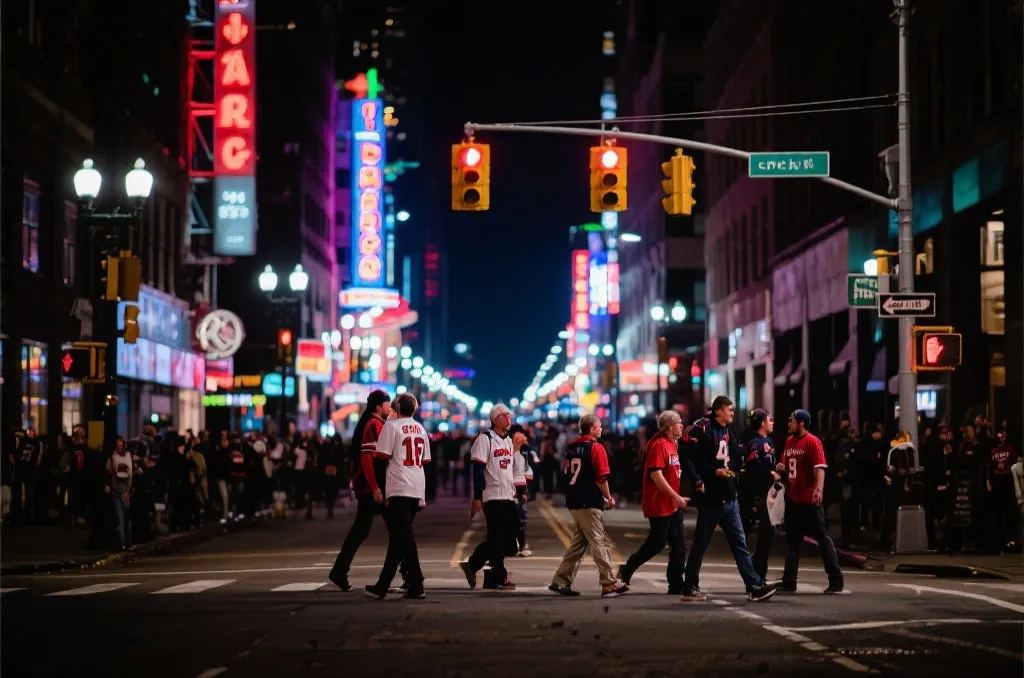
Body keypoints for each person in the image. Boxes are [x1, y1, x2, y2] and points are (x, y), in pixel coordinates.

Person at [680, 396, 777, 602]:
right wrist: (707, 475)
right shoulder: (703, 428)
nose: (733, 413)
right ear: (718, 411)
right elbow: (689, 458)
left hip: (728, 496)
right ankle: (689, 586)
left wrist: (735, 470)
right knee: (700, 543)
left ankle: (754, 585)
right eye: (729, 409)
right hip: (711, 498)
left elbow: (733, 455)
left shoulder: (727, 431)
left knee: (740, 543)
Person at [328, 390, 404, 592]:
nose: (390, 408)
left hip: (370, 485)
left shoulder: (373, 423)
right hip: (372, 486)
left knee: (366, 529)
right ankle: (409, 575)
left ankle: (340, 570)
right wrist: (375, 487)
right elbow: (367, 459)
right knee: (398, 528)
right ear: (379, 407)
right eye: (388, 405)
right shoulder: (374, 424)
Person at [548, 414, 629, 598]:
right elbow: (601, 478)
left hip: (574, 499)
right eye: (599, 426)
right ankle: (609, 583)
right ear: (592, 429)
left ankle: (561, 581)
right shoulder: (596, 447)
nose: (601, 429)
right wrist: (608, 497)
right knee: (598, 540)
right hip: (589, 500)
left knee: (579, 543)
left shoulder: (571, 447)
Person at [365, 394, 430, 599]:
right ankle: (383, 584)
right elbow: (426, 459)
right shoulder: (420, 428)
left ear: (398, 408)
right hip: (416, 484)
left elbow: (380, 456)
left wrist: (378, 488)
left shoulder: (391, 427)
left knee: (405, 535)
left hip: (399, 485)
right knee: (398, 537)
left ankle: (417, 581)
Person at [616, 410, 689, 593]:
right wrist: (675, 496)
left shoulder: (673, 443)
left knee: (679, 545)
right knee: (656, 543)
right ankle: (627, 569)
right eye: (679, 423)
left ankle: (675, 583)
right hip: (659, 503)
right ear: (670, 426)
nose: (682, 425)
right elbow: (656, 475)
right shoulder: (659, 445)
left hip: (672, 504)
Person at [777, 409, 844, 594]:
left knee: (822, 538)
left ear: (801, 423)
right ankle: (789, 581)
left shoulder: (813, 441)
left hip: (808, 499)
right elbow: (786, 464)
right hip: (792, 498)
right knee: (792, 542)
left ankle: (836, 580)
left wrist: (818, 489)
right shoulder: (789, 441)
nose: (789, 424)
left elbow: (820, 467)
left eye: (791, 421)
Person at [460, 404, 518, 590]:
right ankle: (497, 576)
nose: (509, 418)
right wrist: (477, 496)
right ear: (495, 419)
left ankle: (473, 564)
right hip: (492, 495)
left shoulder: (508, 441)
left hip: (508, 495)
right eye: (505, 415)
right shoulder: (485, 439)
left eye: (509, 415)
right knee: (497, 537)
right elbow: (477, 469)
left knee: (510, 542)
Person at [741, 409, 780, 581]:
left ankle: (758, 574)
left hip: (769, 494)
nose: (772, 423)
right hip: (759, 496)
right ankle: (756, 575)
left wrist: (776, 470)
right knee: (764, 536)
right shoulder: (756, 443)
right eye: (770, 420)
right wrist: (770, 474)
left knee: (768, 537)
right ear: (762, 422)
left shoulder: (768, 441)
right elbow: (753, 465)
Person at [510, 425, 534, 557]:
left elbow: (526, 472)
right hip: (512, 490)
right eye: (521, 435)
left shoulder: (523, 453)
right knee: (516, 519)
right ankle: (519, 544)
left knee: (520, 519)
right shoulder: (510, 454)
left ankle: (520, 544)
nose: (525, 438)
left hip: (519, 489)